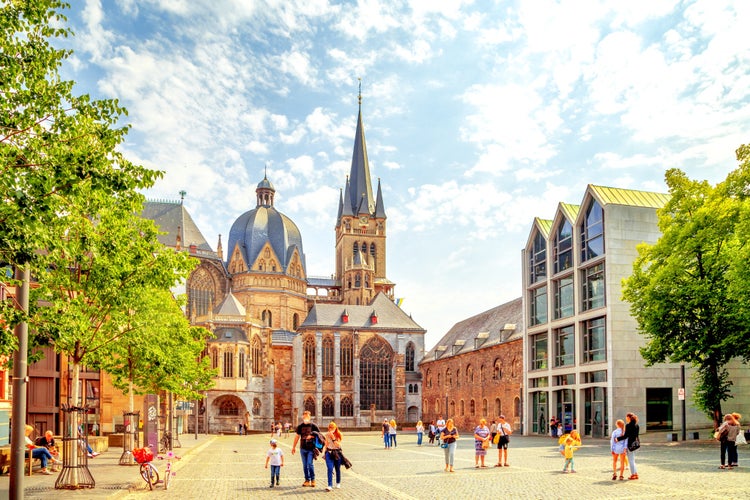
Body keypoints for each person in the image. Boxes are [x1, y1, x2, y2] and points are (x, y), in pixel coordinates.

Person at [291, 410, 320, 487]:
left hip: (311, 448)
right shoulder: (300, 426)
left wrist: (312, 436)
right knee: (304, 465)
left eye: (307, 416)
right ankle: (307, 480)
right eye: (304, 416)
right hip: (303, 448)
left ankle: (313, 480)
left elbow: (320, 436)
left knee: (309, 464)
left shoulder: (314, 426)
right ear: (302, 417)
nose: (305, 418)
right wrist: (293, 447)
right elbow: (297, 437)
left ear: (310, 417)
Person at [616, 412, 640, 480]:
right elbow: (636, 435)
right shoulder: (636, 425)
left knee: (631, 461)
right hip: (636, 444)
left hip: (630, 445)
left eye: (626, 417)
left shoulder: (628, 425)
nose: (626, 418)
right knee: (633, 460)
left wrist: (618, 439)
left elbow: (626, 436)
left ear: (629, 418)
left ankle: (633, 474)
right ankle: (635, 473)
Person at [322, 421, 344, 491]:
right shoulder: (327, 435)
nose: (331, 429)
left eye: (332, 428)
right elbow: (326, 444)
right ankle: (329, 485)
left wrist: (333, 438)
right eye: (330, 428)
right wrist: (324, 453)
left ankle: (338, 482)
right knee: (330, 468)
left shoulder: (339, 434)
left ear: (335, 428)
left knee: (337, 469)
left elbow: (338, 445)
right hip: (329, 453)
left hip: (337, 453)